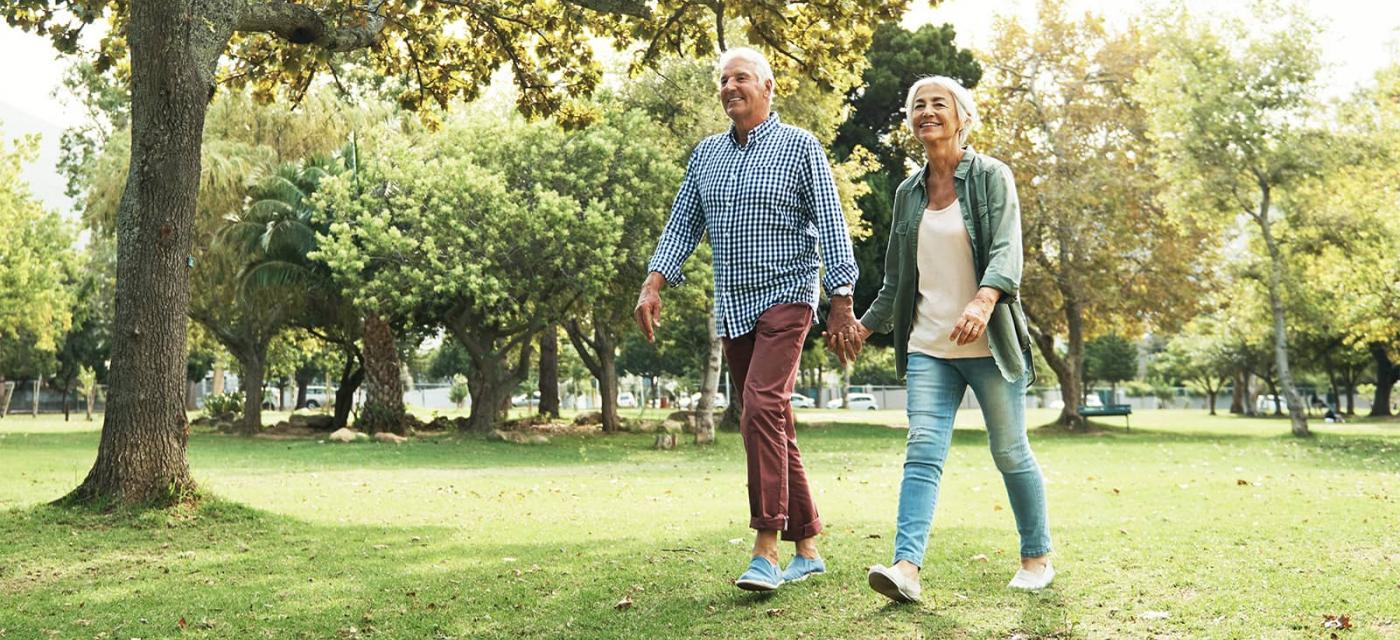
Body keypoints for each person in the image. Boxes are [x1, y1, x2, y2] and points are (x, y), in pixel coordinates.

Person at [634, 47, 860, 592]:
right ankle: (807, 545)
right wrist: (652, 282)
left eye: (742, 78)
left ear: (768, 86)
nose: (731, 86)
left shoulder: (800, 146)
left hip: (788, 293)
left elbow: (830, 222)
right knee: (771, 417)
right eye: (724, 80)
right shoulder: (706, 155)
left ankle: (766, 548)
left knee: (760, 404)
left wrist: (841, 297)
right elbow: (682, 222)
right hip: (734, 304)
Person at [826, 75, 1054, 602]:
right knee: (923, 451)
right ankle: (906, 568)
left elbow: (1006, 252)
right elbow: (897, 281)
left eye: (938, 104)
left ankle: (1036, 557)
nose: (927, 112)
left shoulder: (992, 177)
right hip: (930, 347)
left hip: (990, 345)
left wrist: (982, 300)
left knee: (1010, 451)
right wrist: (863, 324)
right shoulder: (908, 193)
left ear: (962, 116)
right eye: (918, 106)